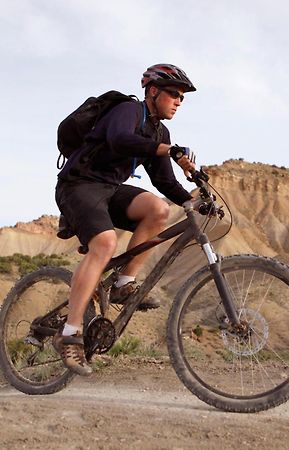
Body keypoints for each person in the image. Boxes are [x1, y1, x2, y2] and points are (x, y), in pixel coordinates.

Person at [53, 64, 197, 376]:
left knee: (158, 209)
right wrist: (169, 150)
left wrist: (192, 200)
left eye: (182, 98)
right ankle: (69, 335)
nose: (178, 101)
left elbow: (164, 182)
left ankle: (123, 283)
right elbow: (120, 140)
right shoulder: (128, 110)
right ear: (153, 91)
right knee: (105, 243)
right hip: (78, 185)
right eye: (173, 94)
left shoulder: (160, 132)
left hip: (110, 190)